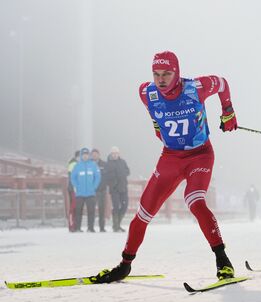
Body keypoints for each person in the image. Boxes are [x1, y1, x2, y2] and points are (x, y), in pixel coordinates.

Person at [93, 50, 238, 283]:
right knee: (143, 213)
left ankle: (223, 261)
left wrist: (228, 111)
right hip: (170, 157)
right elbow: (156, 119)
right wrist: (159, 129)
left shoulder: (196, 88)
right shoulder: (146, 92)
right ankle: (125, 264)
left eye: (167, 74)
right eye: (156, 74)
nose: (161, 79)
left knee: (195, 201)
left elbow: (222, 83)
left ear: (176, 72)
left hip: (199, 155)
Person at [70, 148, 101, 232]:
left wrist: (94, 187)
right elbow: (73, 177)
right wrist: (77, 186)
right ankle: (77, 228)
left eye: (86, 155)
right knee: (78, 211)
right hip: (80, 193)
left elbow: (97, 177)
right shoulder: (77, 166)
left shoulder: (93, 165)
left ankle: (90, 228)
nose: (85, 156)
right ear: (81, 155)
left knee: (91, 211)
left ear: (89, 155)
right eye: (83, 155)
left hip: (91, 193)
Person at [105, 146, 130, 232]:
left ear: (119, 154)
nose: (115, 155)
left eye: (116, 153)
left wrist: (122, 175)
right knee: (116, 207)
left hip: (123, 187)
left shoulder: (122, 162)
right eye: (113, 153)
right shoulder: (108, 164)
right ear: (111, 154)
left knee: (124, 206)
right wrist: (113, 182)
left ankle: (118, 224)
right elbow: (106, 176)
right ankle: (115, 226)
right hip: (114, 189)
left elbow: (128, 171)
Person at [91, 148, 108, 232]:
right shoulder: (89, 164)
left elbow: (108, 176)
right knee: (92, 209)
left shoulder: (104, 164)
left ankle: (102, 227)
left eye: (96, 154)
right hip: (92, 191)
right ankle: (91, 227)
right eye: (93, 154)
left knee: (102, 209)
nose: (94, 156)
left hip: (102, 189)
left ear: (99, 155)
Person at [67, 150, 80, 232]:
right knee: (73, 207)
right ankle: (72, 225)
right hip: (73, 189)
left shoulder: (77, 164)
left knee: (76, 208)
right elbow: (72, 177)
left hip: (78, 189)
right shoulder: (73, 164)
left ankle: (75, 225)